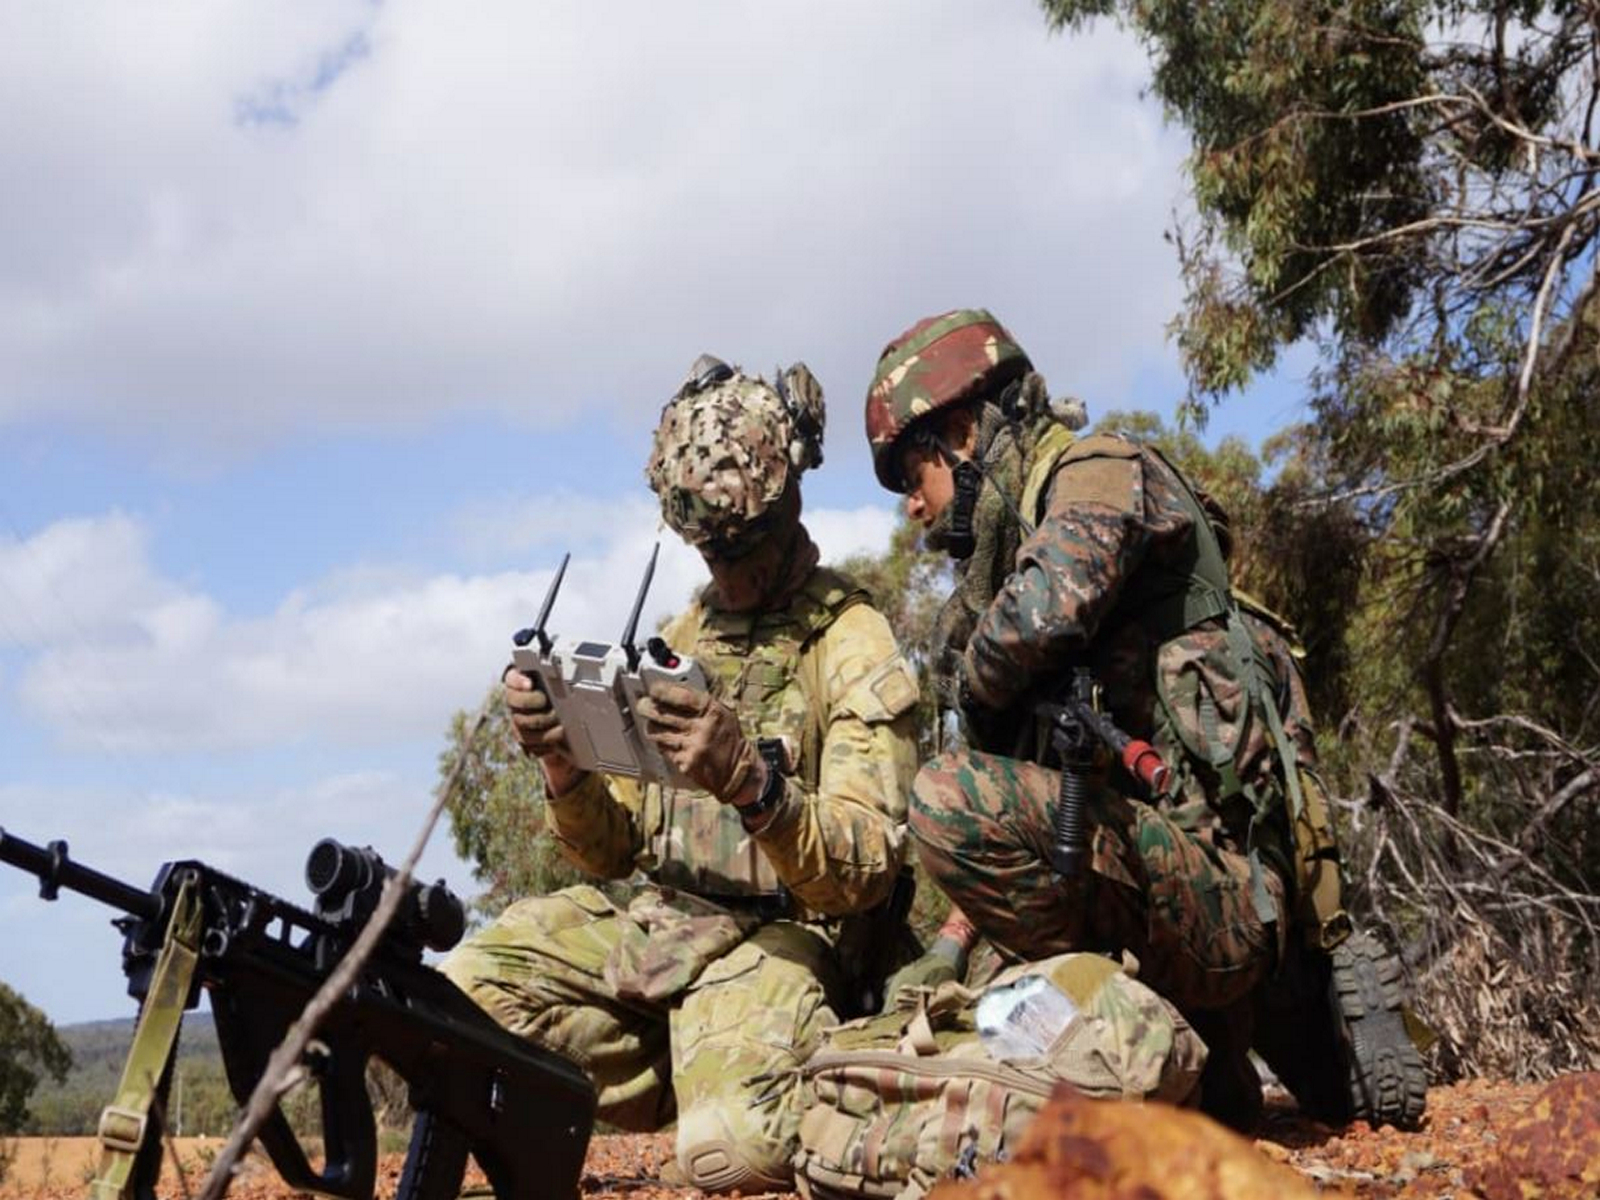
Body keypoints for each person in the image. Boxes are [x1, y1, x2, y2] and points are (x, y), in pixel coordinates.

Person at [861, 308, 1423, 1129]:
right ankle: (1192, 1058)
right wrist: (948, 946)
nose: (913, 507)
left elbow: (1049, 607)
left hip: (1236, 899)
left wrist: (973, 688)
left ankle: (1226, 1016)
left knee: (947, 796)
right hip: (1166, 890)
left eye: (915, 475)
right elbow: (1044, 798)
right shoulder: (1003, 563)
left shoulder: (1099, 468)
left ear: (963, 435)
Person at [442, 355, 920, 1193]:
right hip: (664, 936)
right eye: (709, 549)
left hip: (783, 942)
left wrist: (751, 785)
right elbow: (610, 851)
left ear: (787, 506)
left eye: (744, 544)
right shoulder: (684, 635)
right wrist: (563, 763)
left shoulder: (849, 641)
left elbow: (868, 870)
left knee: (730, 1150)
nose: (727, 568)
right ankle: (700, 1059)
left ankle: (802, 1075)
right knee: (459, 1003)